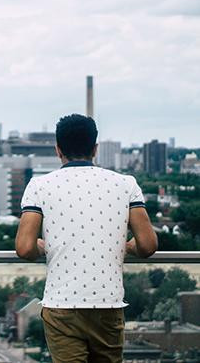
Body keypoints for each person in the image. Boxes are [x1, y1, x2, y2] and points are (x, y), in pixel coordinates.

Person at [15, 114, 157, 363]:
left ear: (58, 150)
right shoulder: (126, 184)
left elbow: (25, 248)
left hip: (62, 304)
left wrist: (42, 245)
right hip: (108, 303)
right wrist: (125, 246)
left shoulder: (39, 185)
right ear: (95, 148)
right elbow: (147, 246)